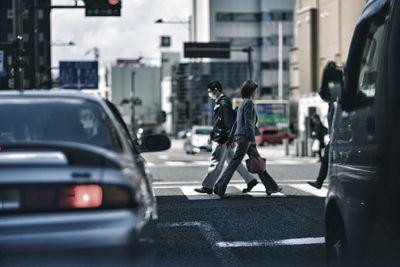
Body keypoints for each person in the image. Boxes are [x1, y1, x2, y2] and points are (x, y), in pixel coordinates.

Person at [213, 80, 282, 198]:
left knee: (257, 160)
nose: (256, 92)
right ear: (251, 91)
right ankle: (219, 187)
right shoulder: (249, 103)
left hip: (241, 137)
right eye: (255, 90)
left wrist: (231, 138)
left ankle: (271, 187)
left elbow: (236, 123)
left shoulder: (243, 103)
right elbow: (248, 124)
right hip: (246, 138)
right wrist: (253, 142)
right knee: (234, 163)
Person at [194, 80, 258, 194]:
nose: (209, 94)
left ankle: (208, 186)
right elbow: (218, 122)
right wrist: (212, 135)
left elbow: (228, 123)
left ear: (216, 90)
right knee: (233, 161)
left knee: (216, 161)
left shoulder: (223, 103)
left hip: (223, 138)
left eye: (210, 91)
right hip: (221, 136)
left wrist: (230, 138)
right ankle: (250, 180)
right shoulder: (220, 102)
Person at [308, 61, 338, 189]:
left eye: (323, 98)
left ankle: (321, 182)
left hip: (338, 137)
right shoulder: (331, 104)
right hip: (334, 137)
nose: (323, 100)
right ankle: (321, 182)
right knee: (327, 160)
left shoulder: (336, 103)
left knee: (328, 160)